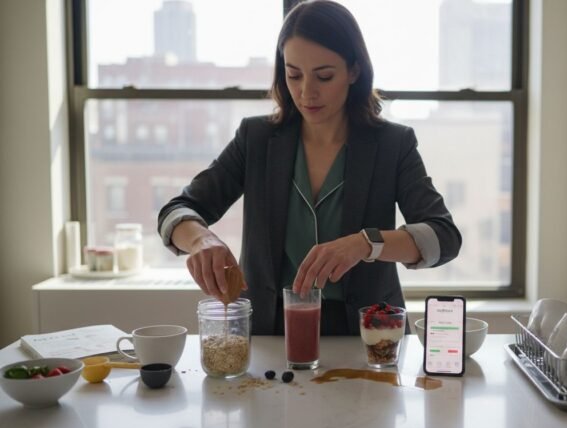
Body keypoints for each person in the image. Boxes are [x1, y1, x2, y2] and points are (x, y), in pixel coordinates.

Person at [157, 0, 461, 335]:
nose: (306, 92)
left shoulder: (393, 144)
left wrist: (366, 244)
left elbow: (444, 238)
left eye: (324, 76)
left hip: (368, 337)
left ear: (354, 71)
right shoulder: (255, 139)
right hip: (270, 333)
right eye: (293, 75)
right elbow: (176, 211)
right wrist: (201, 239)